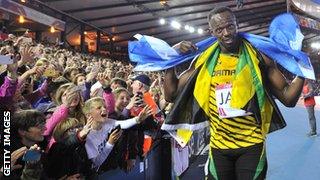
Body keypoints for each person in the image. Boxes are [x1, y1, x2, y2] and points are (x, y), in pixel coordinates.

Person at [163, 6, 305, 180]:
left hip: (251, 145)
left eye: (230, 26)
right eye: (219, 29)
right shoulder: (204, 60)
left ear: (237, 25)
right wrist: (172, 54)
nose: (226, 33)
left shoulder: (258, 56)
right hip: (219, 148)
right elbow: (171, 95)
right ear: (212, 32)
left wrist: (303, 70)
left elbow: (288, 97)